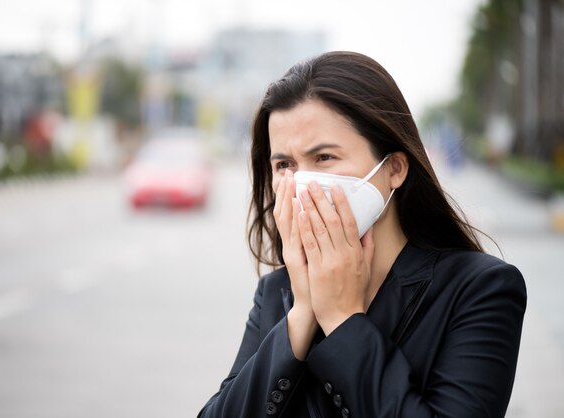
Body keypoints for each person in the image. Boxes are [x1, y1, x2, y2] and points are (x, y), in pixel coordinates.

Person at [198, 51, 526, 418]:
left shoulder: (479, 289)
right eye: (284, 165)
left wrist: (342, 319)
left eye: (324, 158)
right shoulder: (278, 293)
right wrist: (303, 313)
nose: (300, 183)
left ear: (395, 169)